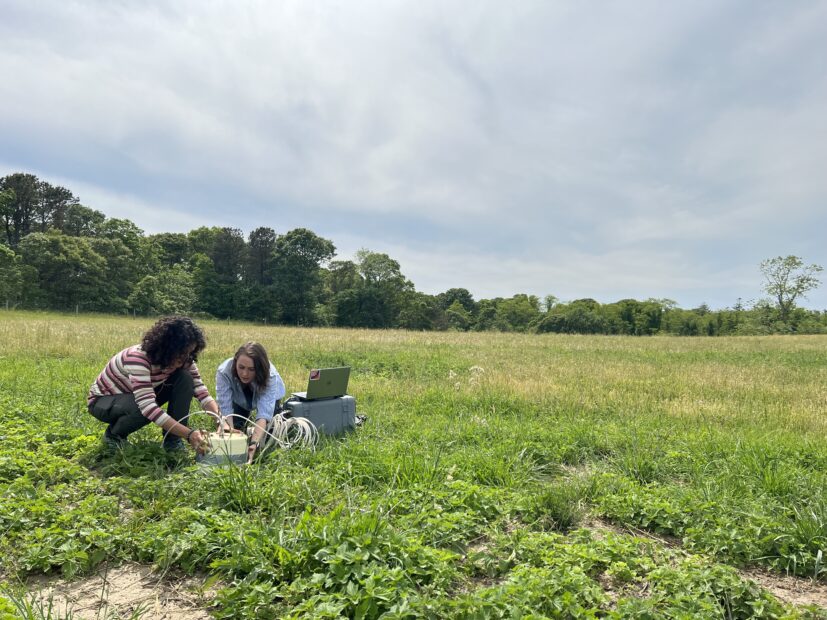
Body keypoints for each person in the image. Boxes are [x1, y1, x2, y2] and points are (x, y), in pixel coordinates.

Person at [88, 315, 219, 454]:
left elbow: (201, 391)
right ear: (166, 347)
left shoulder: (185, 360)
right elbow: (148, 407)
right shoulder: (138, 359)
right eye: (182, 352)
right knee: (141, 409)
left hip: (135, 397)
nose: (186, 357)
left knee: (185, 379)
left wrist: (219, 420)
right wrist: (189, 434)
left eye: (190, 352)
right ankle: (114, 436)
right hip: (103, 402)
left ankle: (172, 441)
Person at [215, 342, 286, 463]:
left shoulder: (270, 375)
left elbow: (264, 413)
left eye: (251, 369)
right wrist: (229, 437)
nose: (244, 374)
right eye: (241, 367)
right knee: (236, 430)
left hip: (269, 401)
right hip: (239, 400)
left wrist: (254, 444)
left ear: (259, 369)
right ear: (235, 363)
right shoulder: (223, 372)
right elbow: (225, 409)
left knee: (269, 437)